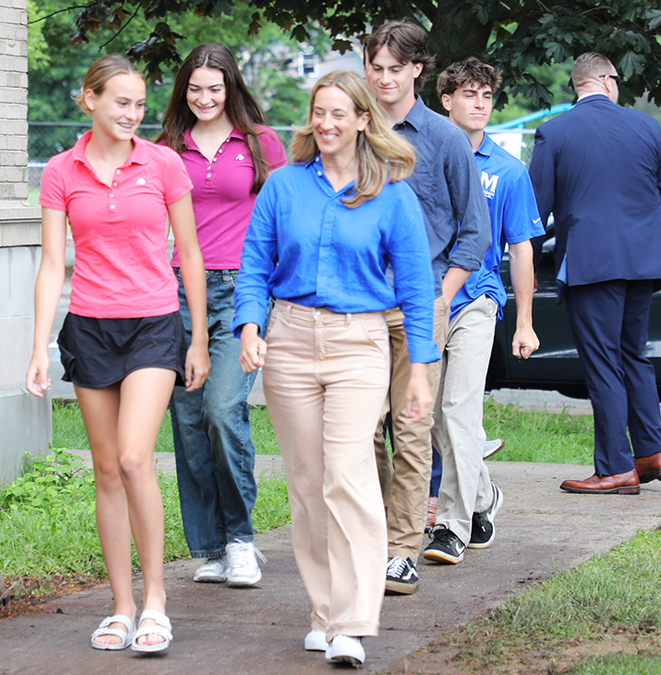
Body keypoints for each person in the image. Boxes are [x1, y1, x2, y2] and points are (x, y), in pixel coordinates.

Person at [234, 70, 438, 666]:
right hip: (290, 339)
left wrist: (420, 369)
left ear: (362, 121)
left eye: (337, 114)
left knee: (347, 477)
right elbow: (254, 260)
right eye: (317, 113)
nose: (325, 124)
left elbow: (417, 285)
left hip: (360, 344)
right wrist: (251, 326)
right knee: (307, 485)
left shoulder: (394, 195)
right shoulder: (283, 187)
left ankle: (353, 620)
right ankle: (323, 612)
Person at [26, 54, 209, 654]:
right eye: (120, 102)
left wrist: (199, 336)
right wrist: (37, 346)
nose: (133, 114)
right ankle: (122, 606)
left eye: (139, 104)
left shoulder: (162, 164)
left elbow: (189, 252)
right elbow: (54, 263)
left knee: (134, 459)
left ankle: (156, 601)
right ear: (90, 100)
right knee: (105, 470)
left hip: (154, 325)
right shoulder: (60, 170)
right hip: (89, 328)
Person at [362, 18, 491, 595]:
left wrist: (441, 293)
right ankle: (371, 537)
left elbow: (474, 231)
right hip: (357, 304)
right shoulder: (354, 129)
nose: (384, 79)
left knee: (413, 430)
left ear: (418, 69)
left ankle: (403, 551)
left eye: (395, 68)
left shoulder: (443, 139)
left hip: (422, 304)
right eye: (376, 68)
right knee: (363, 430)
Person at [156, 43, 287, 588]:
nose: (205, 98)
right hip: (179, 293)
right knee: (187, 422)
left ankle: (240, 539)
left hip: (243, 290)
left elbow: (284, 213)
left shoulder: (260, 143)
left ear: (232, 86)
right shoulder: (166, 148)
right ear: (183, 91)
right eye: (194, 88)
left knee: (221, 407)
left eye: (215, 87)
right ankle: (209, 544)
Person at [527, 52, 661, 495]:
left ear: (577, 86)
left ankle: (616, 467)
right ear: (606, 81)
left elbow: (536, 211)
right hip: (645, 259)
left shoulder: (553, 132)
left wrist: (528, 266)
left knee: (602, 363)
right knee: (633, 354)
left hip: (592, 262)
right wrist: (637, 229)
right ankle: (652, 454)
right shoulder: (646, 126)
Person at [422, 58, 544, 566]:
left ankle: (453, 526)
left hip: (478, 299)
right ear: (446, 100)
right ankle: (484, 493)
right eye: (468, 94)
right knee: (430, 415)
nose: (479, 104)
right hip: (426, 298)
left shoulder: (509, 171)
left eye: (486, 96)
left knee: (459, 409)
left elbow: (521, 249)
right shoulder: (422, 155)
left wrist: (525, 321)